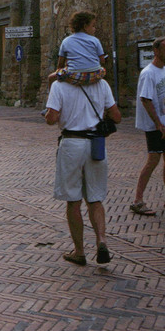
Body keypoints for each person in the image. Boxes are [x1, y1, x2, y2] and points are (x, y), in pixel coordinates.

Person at [45, 64, 121, 266]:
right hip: (95, 143)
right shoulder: (102, 84)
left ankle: (79, 251)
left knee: (73, 200)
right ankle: (102, 240)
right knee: (95, 198)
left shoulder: (59, 85)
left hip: (71, 143)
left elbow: (51, 119)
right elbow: (117, 116)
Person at [130, 37, 165, 216]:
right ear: (156, 51)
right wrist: (158, 124)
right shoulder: (148, 73)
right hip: (156, 126)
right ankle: (138, 200)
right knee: (153, 160)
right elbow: (145, 99)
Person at [48, 10, 106, 87]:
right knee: (102, 69)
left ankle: (51, 97)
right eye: (93, 26)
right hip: (95, 75)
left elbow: (60, 64)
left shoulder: (66, 41)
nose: (94, 29)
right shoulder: (95, 40)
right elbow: (102, 60)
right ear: (85, 27)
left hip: (74, 76)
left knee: (51, 77)